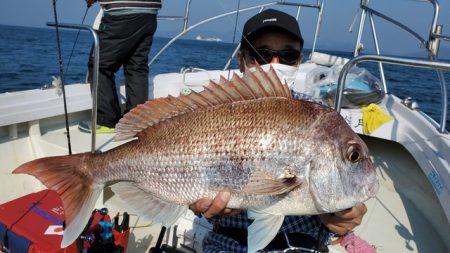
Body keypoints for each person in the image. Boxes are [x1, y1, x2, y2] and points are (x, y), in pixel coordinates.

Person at [189, 9, 368, 253]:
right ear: (242, 59)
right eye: (261, 54)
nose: (274, 64)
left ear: (299, 60)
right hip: (227, 243)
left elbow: (333, 204)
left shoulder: (321, 118)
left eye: (287, 55)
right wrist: (197, 205)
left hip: (302, 245)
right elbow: (198, 194)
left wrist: (340, 221)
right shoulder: (211, 110)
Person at [78, 0, 161, 133]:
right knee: (137, 68)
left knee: (100, 66)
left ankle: (107, 121)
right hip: (149, 14)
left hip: (121, 14)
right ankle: (136, 123)